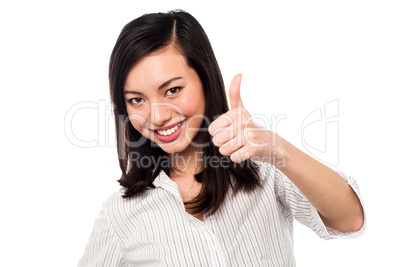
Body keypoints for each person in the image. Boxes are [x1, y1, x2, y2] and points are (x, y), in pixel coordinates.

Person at [78, 10, 365, 266]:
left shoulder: (264, 170)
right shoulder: (121, 213)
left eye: (172, 90)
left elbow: (350, 220)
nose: (157, 117)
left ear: (205, 79)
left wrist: (273, 147)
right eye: (137, 99)